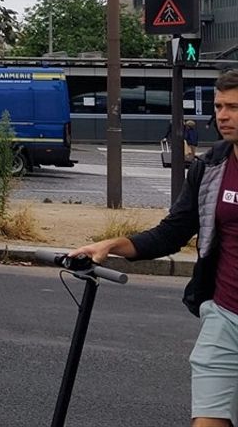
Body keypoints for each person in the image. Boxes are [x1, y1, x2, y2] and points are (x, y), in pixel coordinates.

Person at [69, 70, 238, 427]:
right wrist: (111, 245)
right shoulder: (210, 168)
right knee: (207, 420)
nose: (223, 116)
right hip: (224, 317)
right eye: (219, 106)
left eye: (234, 107)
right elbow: (171, 233)